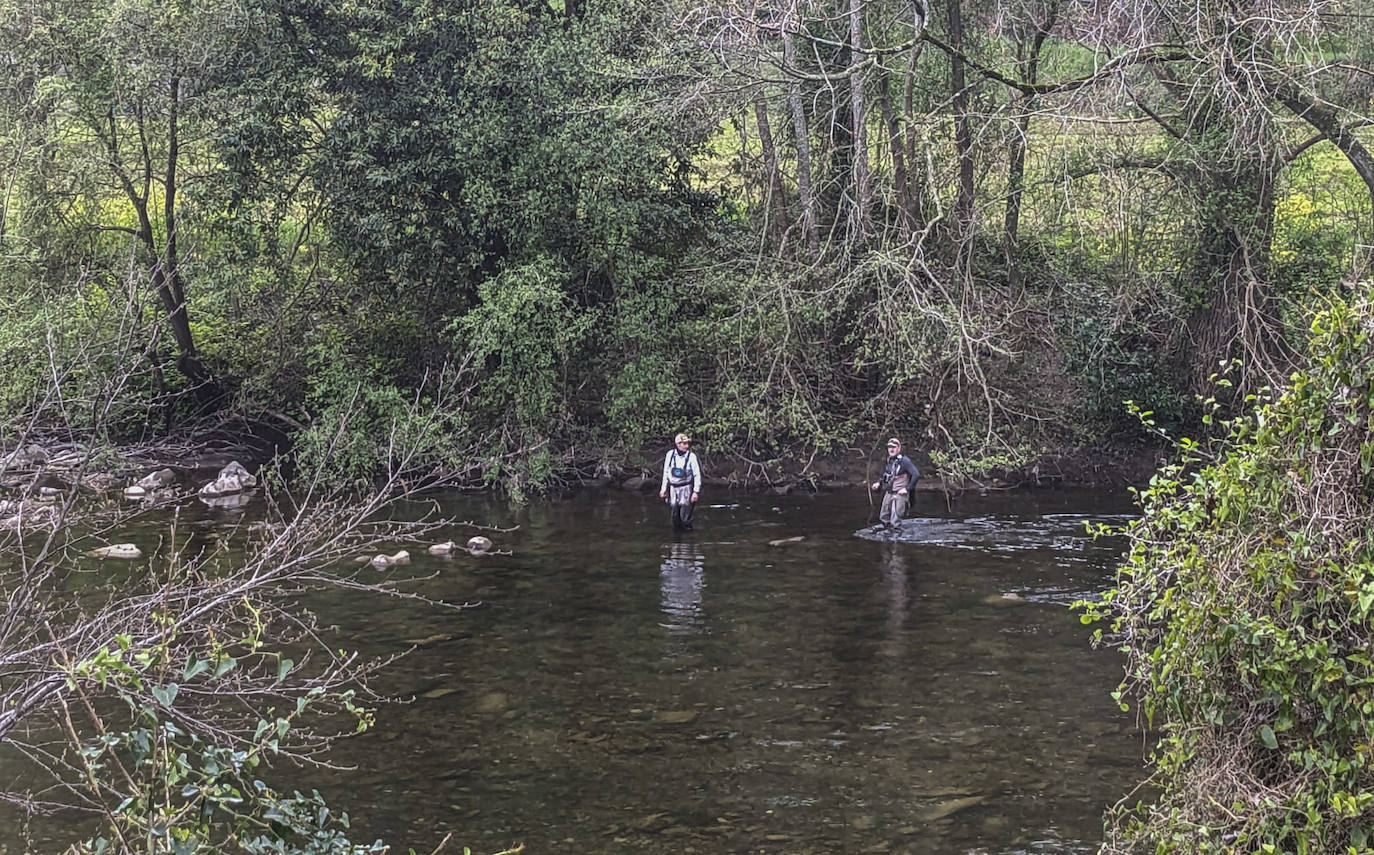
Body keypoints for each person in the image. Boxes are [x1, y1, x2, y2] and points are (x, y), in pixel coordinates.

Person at [871, 437, 920, 529]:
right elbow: (885, 475)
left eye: (893, 447)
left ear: (899, 448)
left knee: (895, 520)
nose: (891, 449)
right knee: (884, 516)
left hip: (899, 494)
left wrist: (907, 489)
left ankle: (896, 538)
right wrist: (879, 483)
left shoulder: (905, 461)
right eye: (889, 447)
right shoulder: (889, 460)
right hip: (889, 492)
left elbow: (916, 475)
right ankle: (886, 533)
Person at [659, 432, 702, 531]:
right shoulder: (670, 455)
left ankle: (688, 541)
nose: (687, 446)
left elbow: (697, 475)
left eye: (687, 443)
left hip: (687, 489)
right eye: (684, 443)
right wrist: (663, 489)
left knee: (685, 519)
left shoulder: (691, 457)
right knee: (675, 518)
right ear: (678, 444)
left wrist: (695, 492)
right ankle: (677, 542)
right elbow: (666, 472)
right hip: (673, 489)